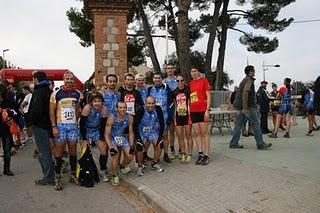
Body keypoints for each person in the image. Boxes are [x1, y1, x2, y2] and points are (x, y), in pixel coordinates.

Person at [50, 71, 81, 191]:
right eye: (67, 79)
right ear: (63, 79)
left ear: (74, 80)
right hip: (60, 126)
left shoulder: (77, 93)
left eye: (71, 79)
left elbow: (77, 109)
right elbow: (51, 111)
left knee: (73, 150)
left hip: (72, 126)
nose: (69, 81)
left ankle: (73, 175)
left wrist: (76, 120)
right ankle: (57, 176)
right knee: (59, 151)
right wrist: (54, 126)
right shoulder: (56, 94)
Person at [229, 65, 272, 150]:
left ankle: (233, 143)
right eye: (253, 71)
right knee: (255, 124)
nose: (254, 72)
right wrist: (245, 108)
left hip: (240, 106)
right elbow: (245, 93)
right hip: (248, 107)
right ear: (250, 72)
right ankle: (260, 144)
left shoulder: (244, 80)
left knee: (238, 125)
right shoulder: (249, 80)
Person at [29, 71, 55, 185]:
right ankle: (52, 174)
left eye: (33, 79)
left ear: (36, 79)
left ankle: (48, 177)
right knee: (49, 151)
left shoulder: (38, 91)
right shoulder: (50, 91)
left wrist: (30, 123)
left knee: (44, 152)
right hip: (50, 125)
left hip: (40, 126)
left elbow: (36, 111)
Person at [79, 92, 109, 181]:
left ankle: (103, 170)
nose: (97, 103)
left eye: (99, 101)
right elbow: (82, 124)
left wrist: (101, 138)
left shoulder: (104, 109)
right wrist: (84, 139)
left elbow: (103, 125)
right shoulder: (87, 108)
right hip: (85, 129)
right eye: (95, 101)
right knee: (85, 150)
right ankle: (84, 171)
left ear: (102, 102)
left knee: (104, 148)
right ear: (91, 102)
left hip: (96, 130)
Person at [105, 101, 134, 186]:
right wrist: (111, 147)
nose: (122, 109)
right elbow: (106, 134)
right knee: (115, 155)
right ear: (116, 108)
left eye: (124, 107)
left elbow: (131, 132)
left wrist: (131, 145)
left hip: (122, 137)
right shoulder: (111, 117)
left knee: (130, 155)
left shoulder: (130, 117)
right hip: (112, 138)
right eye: (120, 107)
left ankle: (122, 166)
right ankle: (114, 175)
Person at [134, 96, 165, 176]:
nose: (151, 105)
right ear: (145, 103)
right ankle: (140, 166)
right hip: (142, 131)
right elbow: (135, 125)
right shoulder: (141, 110)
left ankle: (154, 163)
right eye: (149, 103)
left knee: (160, 144)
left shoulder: (158, 109)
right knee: (139, 147)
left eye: (153, 103)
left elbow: (162, 123)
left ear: (155, 103)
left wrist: (160, 137)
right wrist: (138, 139)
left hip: (151, 131)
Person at [148, 72, 174, 163]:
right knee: (155, 137)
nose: (157, 79)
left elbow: (171, 103)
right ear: (153, 79)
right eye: (155, 78)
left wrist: (170, 116)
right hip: (153, 118)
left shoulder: (167, 89)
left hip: (164, 116)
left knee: (165, 136)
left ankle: (166, 154)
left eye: (159, 78)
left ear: (162, 79)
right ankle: (157, 155)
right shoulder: (150, 89)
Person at [189, 68, 211, 165]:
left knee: (204, 133)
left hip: (203, 110)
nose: (193, 72)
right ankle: (200, 153)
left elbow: (208, 96)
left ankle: (206, 155)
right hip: (193, 111)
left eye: (195, 71)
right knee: (197, 133)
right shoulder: (190, 83)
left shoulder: (204, 81)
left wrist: (207, 110)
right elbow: (190, 97)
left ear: (198, 72)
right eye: (192, 71)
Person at [173, 75, 193, 163]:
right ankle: (183, 153)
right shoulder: (174, 92)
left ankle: (190, 154)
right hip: (178, 116)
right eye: (178, 81)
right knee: (180, 137)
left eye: (182, 80)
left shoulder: (188, 90)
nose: (180, 82)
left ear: (184, 81)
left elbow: (192, 102)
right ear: (176, 82)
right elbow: (174, 104)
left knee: (188, 136)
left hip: (187, 116)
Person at [0, 83, 18, 176]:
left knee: (7, 149)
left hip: (6, 128)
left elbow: (16, 112)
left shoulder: (9, 101)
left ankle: (7, 168)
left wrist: (8, 113)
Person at [163, 64, 177, 159]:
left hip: (177, 107)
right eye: (168, 68)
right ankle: (165, 152)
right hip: (167, 108)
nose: (170, 70)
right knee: (165, 131)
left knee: (173, 131)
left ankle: (173, 149)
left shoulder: (178, 80)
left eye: (171, 68)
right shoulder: (164, 82)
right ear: (166, 70)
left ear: (174, 69)